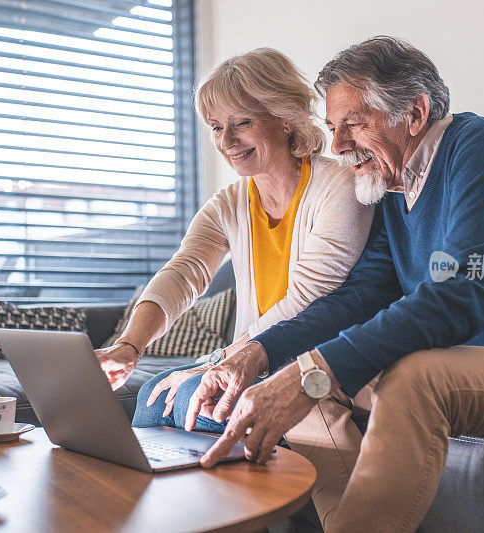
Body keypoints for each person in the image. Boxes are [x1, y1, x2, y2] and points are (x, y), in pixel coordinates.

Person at [184, 36, 484, 532]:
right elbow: (360, 297)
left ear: (415, 113)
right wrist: (255, 354)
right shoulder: (391, 189)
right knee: (303, 375)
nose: (338, 146)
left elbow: (466, 291)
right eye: (332, 128)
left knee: (409, 378)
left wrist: (312, 371)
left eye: (355, 124)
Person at [94, 48, 373, 432]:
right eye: (215, 126)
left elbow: (308, 299)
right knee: (153, 396)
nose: (226, 140)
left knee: (194, 399)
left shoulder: (339, 185)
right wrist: (129, 347)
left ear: (284, 119)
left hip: (308, 359)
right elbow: (184, 271)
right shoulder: (230, 203)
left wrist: (212, 363)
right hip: (251, 357)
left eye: (241, 122)